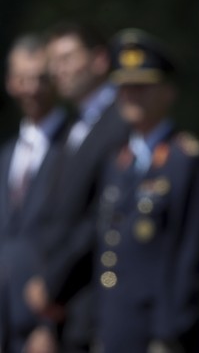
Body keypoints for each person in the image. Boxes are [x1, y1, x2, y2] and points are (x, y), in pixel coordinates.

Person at [94, 29, 199, 353]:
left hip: (159, 333)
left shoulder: (184, 160)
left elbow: (190, 255)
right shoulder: (116, 161)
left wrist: (169, 334)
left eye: (142, 87)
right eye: (125, 87)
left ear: (167, 92)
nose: (131, 96)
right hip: (116, 327)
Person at [23, 22, 130, 352]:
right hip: (66, 309)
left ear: (99, 60)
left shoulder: (121, 121)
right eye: (54, 61)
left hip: (95, 302)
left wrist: (52, 285)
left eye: (67, 58)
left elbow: (100, 216)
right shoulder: (74, 125)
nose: (59, 70)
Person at [0, 33, 70, 353]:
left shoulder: (73, 149)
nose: (30, 88)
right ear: (9, 82)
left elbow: (74, 238)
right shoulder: (7, 155)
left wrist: (49, 325)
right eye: (21, 79)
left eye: (39, 78)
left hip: (47, 326)